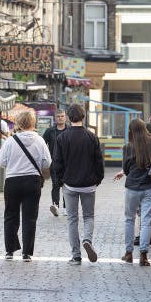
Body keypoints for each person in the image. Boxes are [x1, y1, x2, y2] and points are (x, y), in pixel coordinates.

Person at [114, 118, 151, 266]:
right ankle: (143, 256)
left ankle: (128, 254)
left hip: (132, 188)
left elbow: (126, 169)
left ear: (131, 131)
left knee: (129, 220)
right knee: (146, 222)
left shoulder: (128, 147)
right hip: (150, 187)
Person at [52, 103, 104, 265]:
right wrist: (98, 179)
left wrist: (60, 181)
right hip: (89, 184)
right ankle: (87, 239)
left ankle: (76, 255)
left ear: (68, 117)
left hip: (70, 185)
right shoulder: (92, 137)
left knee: (72, 219)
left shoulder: (62, 138)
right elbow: (98, 162)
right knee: (88, 216)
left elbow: (57, 163)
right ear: (83, 117)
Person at [0, 109, 51, 262]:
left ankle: (10, 251)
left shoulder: (10, 141)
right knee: (30, 218)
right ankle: (27, 253)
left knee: (10, 216)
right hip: (32, 181)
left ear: (18, 123)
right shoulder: (40, 140)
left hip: (13, 181)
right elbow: (47, 162)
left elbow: (0, 162)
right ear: (33, 123)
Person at [42, 109, 68, 217]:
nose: (60, 118)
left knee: (67, 186)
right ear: (55, 118)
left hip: (68, 163)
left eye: (62, 116)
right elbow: (42, 145)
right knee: (56, 185)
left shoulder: (70, 130)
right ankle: (55, 206)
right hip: (54, 163)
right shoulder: (49, 131)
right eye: (58, 116)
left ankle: (66, 208)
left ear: (65, 117)